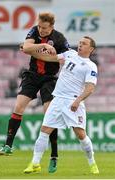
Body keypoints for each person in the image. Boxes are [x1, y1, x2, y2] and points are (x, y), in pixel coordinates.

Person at [0, 12, 69, 173]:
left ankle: (54, 156)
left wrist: (36, 51)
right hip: (32, 75)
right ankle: (8, 145)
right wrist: (43, 46)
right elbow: (26, 46)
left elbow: (65, 57)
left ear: (51, 26)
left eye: (44, 28)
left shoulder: (60, 39)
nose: (41, 30)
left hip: (50, 79)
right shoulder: (34, 31)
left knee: (49, 115)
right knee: (18, 107)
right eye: (39, 26)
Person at [23, 36, 99, 175]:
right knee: (44, 130)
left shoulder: (90, 66)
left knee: (81, 135)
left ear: (91, 49)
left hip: (73, 102)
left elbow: (90, 88)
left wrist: (78, 101)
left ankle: (92, 162)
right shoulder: (70, 54)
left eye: (84, 44)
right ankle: (35, 163)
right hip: (57, 100)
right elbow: (49, 58)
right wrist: (30, 52)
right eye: (80, 42)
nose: (80, 45)